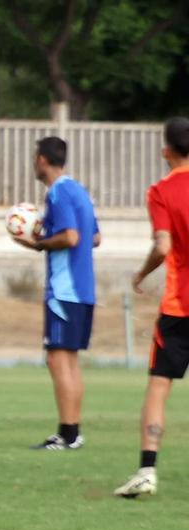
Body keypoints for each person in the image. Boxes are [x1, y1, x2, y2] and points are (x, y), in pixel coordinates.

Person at [115, 118, 189, 498]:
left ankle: (147, 471)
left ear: (166, 151)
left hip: (180, 308)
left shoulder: (161, 191)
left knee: (159, 388)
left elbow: (162, 246)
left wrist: (140, 274)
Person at [14, 136, 101, 451]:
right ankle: (71, 432)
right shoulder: (79, 191)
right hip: (84, 289)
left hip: (64, 291)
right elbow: (96, 237)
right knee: (69, 362)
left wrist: (38, 242)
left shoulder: (59, 192)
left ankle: (67, 435)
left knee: (57, 360)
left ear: (41, 159)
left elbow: (72, 237)